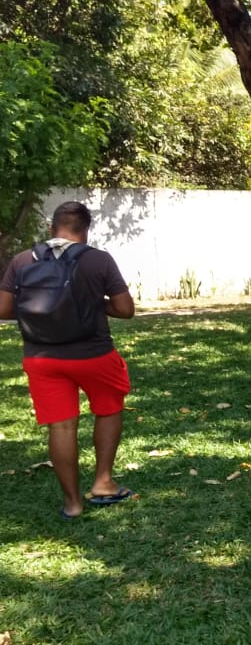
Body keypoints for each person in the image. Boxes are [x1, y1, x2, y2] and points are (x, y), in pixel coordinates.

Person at [0, 201, 136, 520]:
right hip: (94, 355)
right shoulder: (98, 260)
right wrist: (94, 303)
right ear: (85, 231)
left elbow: (4, 309)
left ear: (52, 228)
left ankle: (72, 504)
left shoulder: (22, 260)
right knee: (108, 408)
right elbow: (125, 309)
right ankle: (103, 483)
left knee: (61, 426)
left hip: (42, 358)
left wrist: (42, 307)